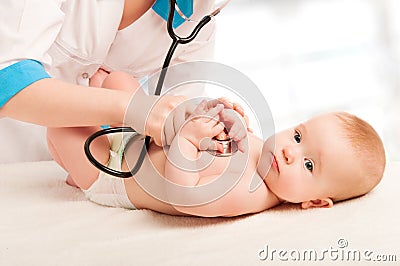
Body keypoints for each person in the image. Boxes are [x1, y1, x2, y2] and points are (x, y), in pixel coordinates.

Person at [47, 71, 386, 217]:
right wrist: (221, 114)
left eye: (308, 165)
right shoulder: (261, 151)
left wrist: (189, 139)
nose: (289, 151)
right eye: (298, 137)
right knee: (118, 81)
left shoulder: (251, 195)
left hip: (118, 174)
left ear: (314, 202)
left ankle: (77, 174)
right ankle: (103, 109)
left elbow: (183, 196)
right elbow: (220, 138)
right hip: (144, 141)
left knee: (58, 129)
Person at [0, 0, 220, 162]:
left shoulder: (200, 16)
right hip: (10, 159)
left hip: (81, 181)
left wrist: (212, 125)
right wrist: (131, 108)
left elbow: (179, 133)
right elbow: (8, 78)